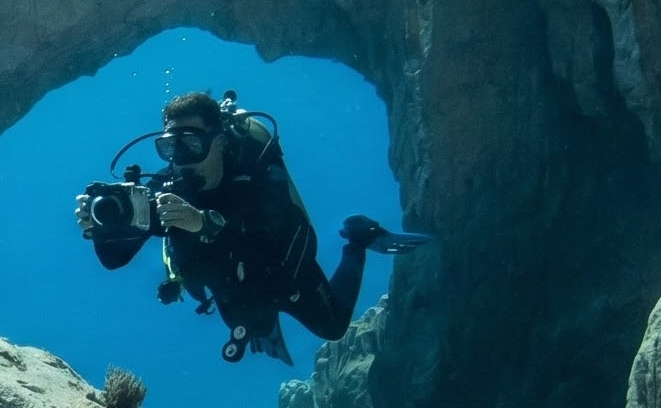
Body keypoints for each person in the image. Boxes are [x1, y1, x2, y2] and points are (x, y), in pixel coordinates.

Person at [75, 91, 412, 364]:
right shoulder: (168, 188)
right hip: (228, 283)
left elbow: (271, 239)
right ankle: (261, 325)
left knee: (333, 328)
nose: (180, 158)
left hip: (284, 272)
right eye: (170, 147)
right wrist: (104, 227)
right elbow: (113, 260)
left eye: (191, 145)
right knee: (252, 322)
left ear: (220, 142)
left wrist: (203, 223)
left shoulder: (259, 175)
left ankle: (357, 238)